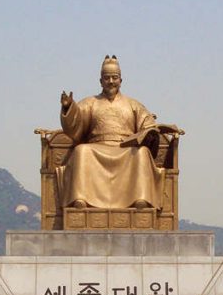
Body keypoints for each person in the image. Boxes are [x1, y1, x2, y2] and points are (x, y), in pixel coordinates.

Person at [57, 55, 165, 210]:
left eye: (115, 77)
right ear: (100, 81)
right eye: (107, 78)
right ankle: (80, 198)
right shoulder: (90, 103)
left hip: (126, 148)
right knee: (81, 150)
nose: (111, 81)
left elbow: (147, 125)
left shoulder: (133, 105)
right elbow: (75, 125)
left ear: (121, 80)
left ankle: (141, 198)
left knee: (142, 153)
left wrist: (150, 132)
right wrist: (68, 108)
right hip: (97, 146)